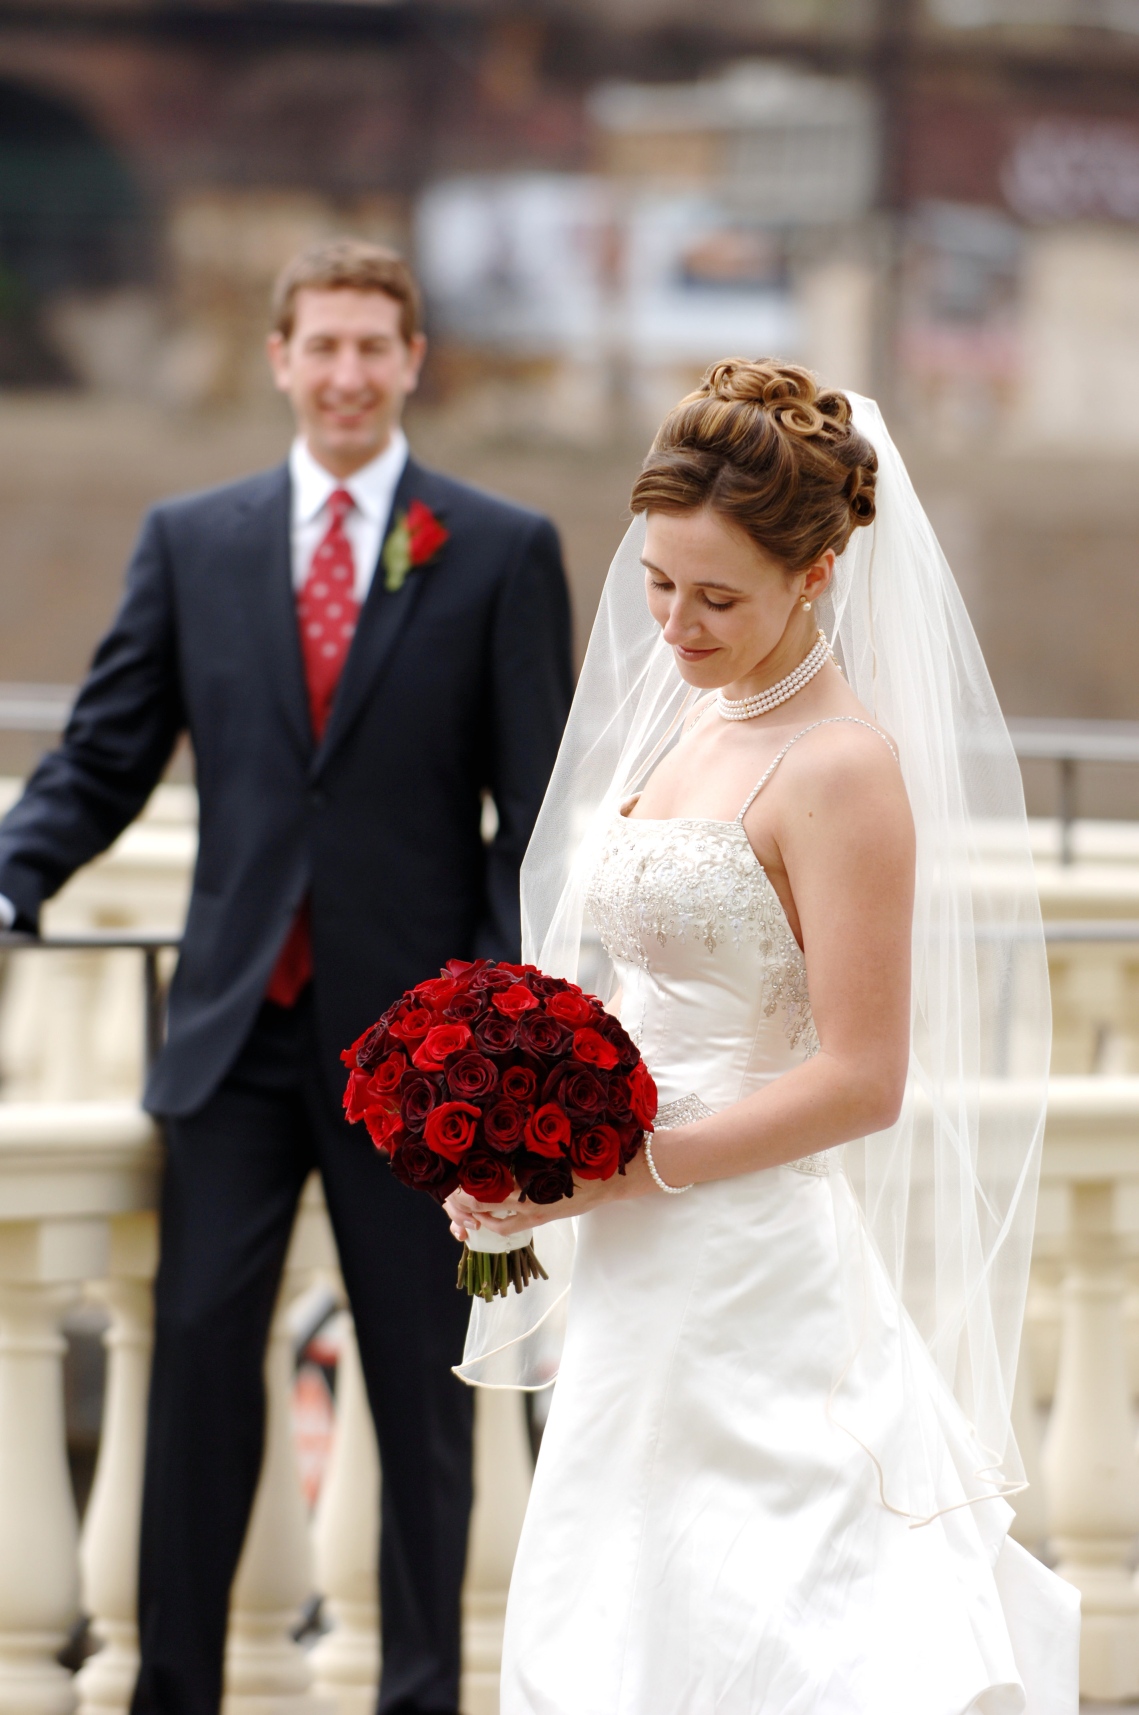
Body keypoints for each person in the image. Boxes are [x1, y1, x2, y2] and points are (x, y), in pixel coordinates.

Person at [447, 361, 1079, 1713]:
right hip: (633, 1260)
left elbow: (862, 1079)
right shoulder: (696, 714)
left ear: (818, 574)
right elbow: (638, 986)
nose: (676, 625)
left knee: (771, 1624)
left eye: (718, 599)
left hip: (747, 1263)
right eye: (658, 585)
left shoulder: (843, 770)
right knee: (618, 1606)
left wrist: (622, 1171)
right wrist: (518, 1139)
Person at [0, 238, 573, 1715]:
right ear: (279, 359)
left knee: (422, 1392)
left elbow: (540, 816)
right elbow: (107, 755)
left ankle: (423, 1695)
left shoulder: (499, 548)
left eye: (375, 346)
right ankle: (175, 1693)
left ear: (414, 360)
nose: (347, 373)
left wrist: (486, 1012)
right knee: (197, 1364)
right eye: (322, 345)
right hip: (234, 1041)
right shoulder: (192, 539)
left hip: (423, 1062)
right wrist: (12, 874)